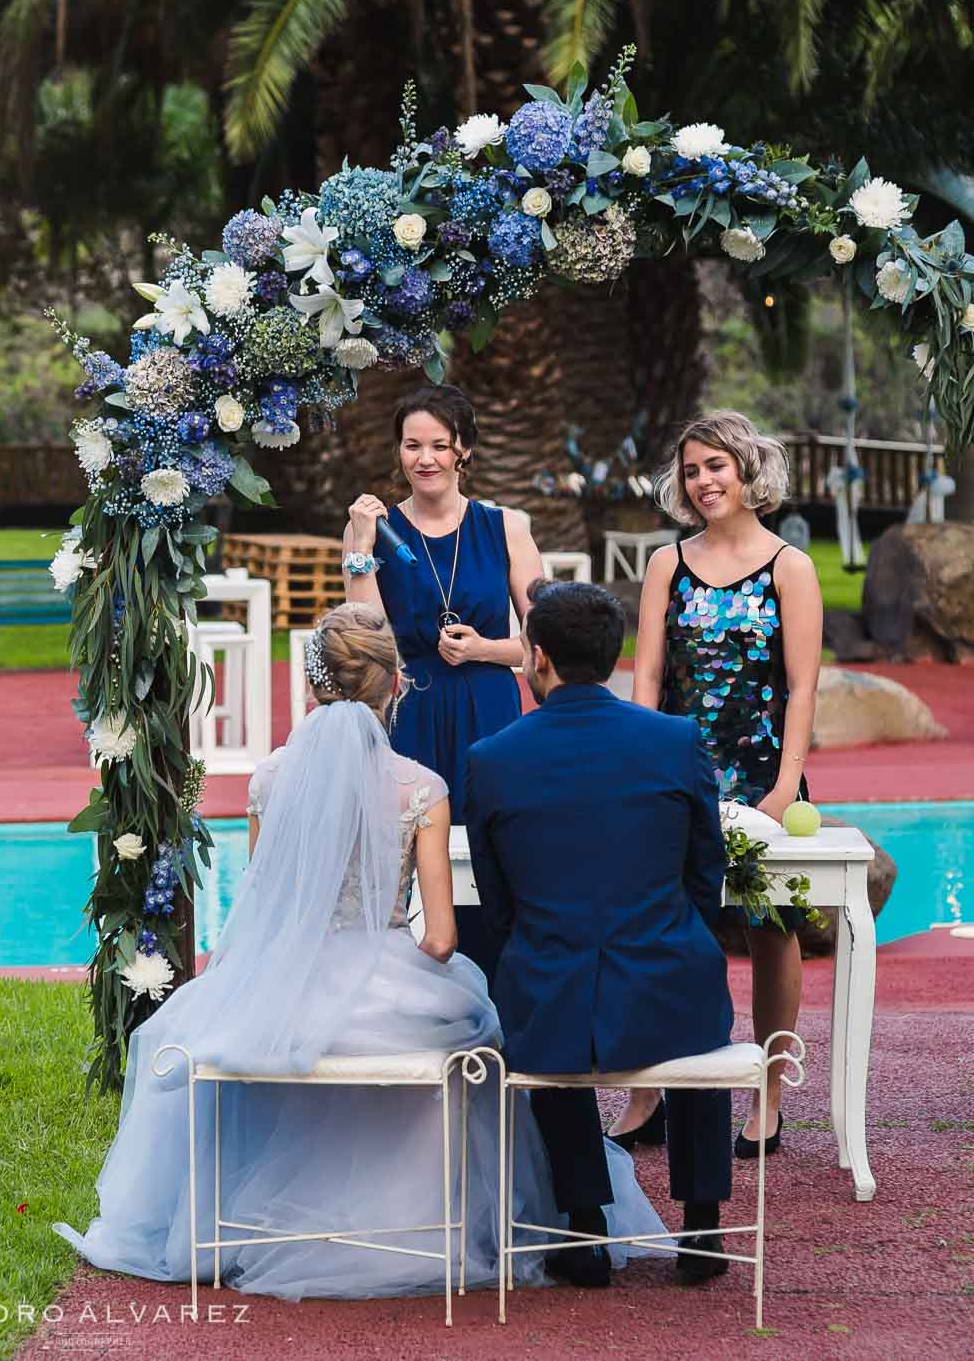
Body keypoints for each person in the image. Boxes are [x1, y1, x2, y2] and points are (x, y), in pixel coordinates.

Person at [55, 603, 660, 1298]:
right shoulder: (421, 788)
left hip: (289, 986)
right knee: (478, 1037)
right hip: (390, 983)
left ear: (314, 684)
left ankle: (259, 1217)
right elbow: (442, 938)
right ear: (395, 684)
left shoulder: (269, 780)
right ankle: (436, 1218)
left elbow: (264, 910)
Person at [463, 580, 736, 1287]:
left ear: (538, 656)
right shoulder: (676, 740)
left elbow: (497, 900)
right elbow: (706, 870)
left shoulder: (492, 758)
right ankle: (702, 1220)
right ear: (613, 658)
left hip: (550, 987)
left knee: (542, 990)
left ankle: (583, 1226)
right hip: (669, 982)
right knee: (699, 987)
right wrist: (676, 937)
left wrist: (542, 945)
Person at [611, 411, 822, 1159]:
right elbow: (646, 676)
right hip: (674, 774)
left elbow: (802, 687)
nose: (703, 481)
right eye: (692, 469)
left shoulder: (790, 567)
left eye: (716, 466)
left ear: (748, 469)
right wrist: (639, 766)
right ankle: (649, 1092)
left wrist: (785, 787)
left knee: (772, 929)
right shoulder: (667, 564)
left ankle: (768, 1094)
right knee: (658, 927)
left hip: (764, 775)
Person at [343, 386, 543, 962]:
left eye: (438, 445)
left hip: (489, 708)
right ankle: (406, 980)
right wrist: (361, 546)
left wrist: (484, 648)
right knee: (399, 851)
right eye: (412, 445)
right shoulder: (372, 529)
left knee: (491, 847)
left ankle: (494, 980)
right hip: (409, 710)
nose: (425, 458)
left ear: (464, 451)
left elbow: (544, 645)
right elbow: (364, 637)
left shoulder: (505, 527)